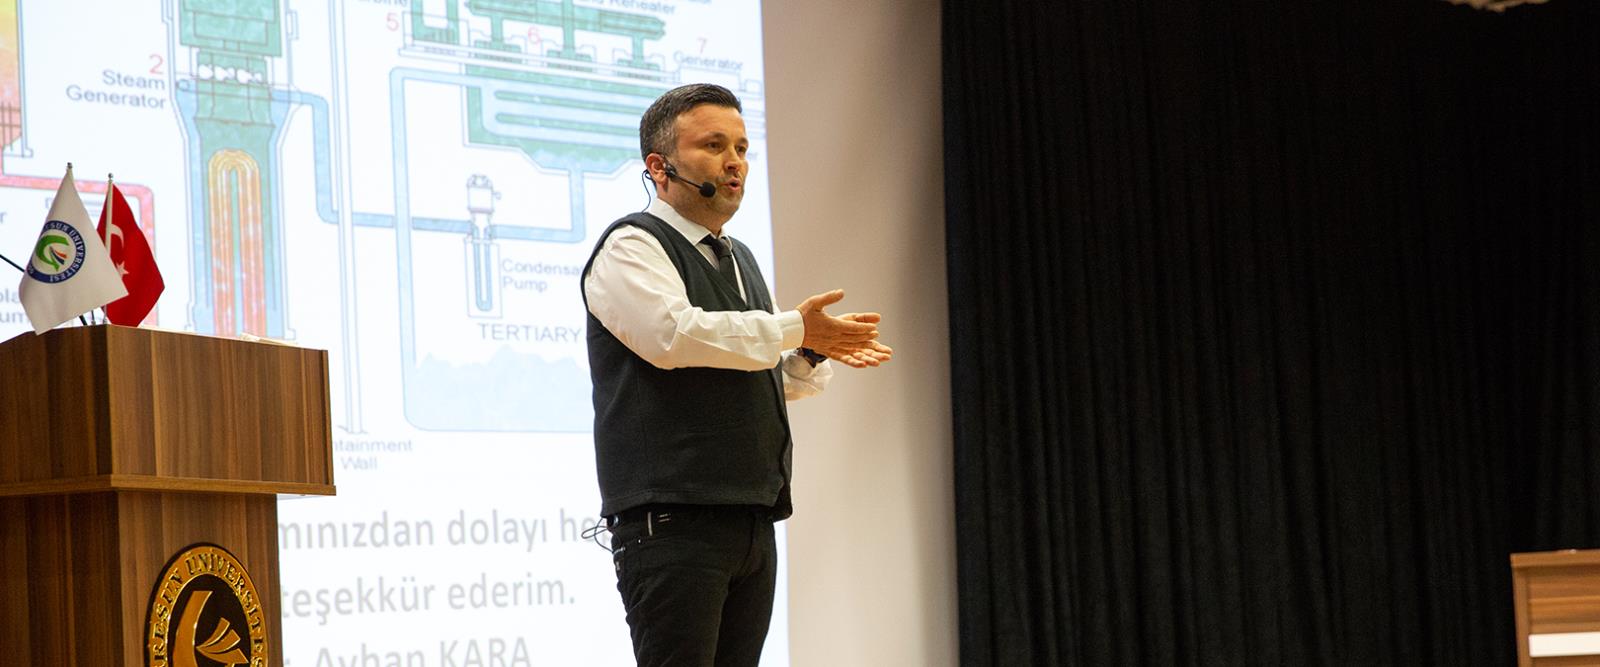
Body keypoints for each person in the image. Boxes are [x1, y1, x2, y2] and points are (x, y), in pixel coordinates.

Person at [581, 82, 893, 666]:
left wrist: (811, 352)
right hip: (674, 523)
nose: (735, 162)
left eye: (743, 148)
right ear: (659, 166)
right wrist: (795, 328)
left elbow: (753, 374)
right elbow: (675, 337)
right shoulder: (631, 246)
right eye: (714, 145)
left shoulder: (739, 256)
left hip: (749, 520)